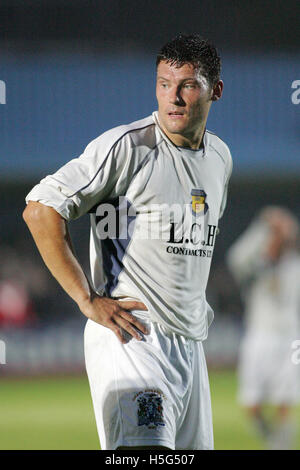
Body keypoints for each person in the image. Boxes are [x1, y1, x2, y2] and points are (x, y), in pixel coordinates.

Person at [23, 34, 232, 450]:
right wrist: (87, 299)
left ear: (215, 91)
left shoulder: (220, 158)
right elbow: (40, 209)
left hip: (190, 347)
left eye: (188, 85)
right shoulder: (127, 147)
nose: (173, 97)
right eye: (163, 83)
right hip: (132, 337)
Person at [227, 206, 300, 449]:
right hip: (259, 337)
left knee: (284, 400)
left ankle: (282, 444)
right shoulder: (255, 267)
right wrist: (261, 227)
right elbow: (234, 257)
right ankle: (271, 437)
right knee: (252, 403)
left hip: (291, 339)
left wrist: (285, 227)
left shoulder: (294, 266)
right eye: (274, 236)